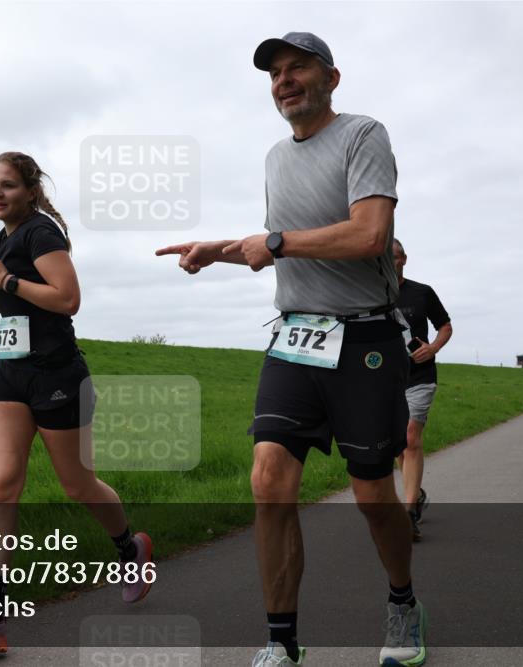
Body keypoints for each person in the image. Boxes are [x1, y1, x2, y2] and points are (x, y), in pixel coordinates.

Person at [157, 32, 425, 667]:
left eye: (296, 67)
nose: (282, 80)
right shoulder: (276, 156)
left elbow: (367, 234)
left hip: (365, 337)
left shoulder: (365, 134)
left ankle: (403, 601)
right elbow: (277, 240)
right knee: (269, 479)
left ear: (331, 77)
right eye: (274, 72)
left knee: (371, 495)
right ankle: (281, 640)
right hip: (296, 338)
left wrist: (274, 244)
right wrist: (218, 250)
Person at [0, 152, 152, 654]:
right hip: (8, 374)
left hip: (57, 374)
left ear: (31, 191)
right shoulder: (2, 240)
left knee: (77, 485)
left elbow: (66, 298)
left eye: (8, 185)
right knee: (1, 486)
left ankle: (129, 549)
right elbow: (22, 304)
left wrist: (7, 282)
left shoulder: (41, 233)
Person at [393, 239, 452, 542]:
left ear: (404, 259)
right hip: (385, 380)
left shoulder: (422, 292)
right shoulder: (366, 295)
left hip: (420, 375)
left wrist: (433, 348)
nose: (390, 262)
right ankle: (414, 492)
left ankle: (408, 513)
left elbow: (445, 326)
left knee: (411, 437)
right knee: (398, 444)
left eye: (395, 257)